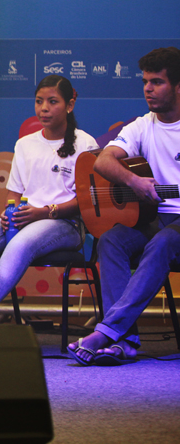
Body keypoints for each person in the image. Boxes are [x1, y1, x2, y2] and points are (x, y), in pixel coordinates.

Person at [0, 75, 98, 325]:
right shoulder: (25, 144)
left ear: (69, 105)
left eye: (52, 101)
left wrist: (42, 212)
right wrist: (10, 212)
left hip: (66, 225)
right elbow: (14, 193)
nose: (44, 108)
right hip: (26, 218)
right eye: (39, 101)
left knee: (21, 243)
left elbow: (87, 203)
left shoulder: (85, 143)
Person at [70, 47, 180, 366]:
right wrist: (134, 183)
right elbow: (103, 161)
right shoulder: (142, 126)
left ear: (177, 87)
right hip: (154, 219)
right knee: (111, 240)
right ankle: (125, 341)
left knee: (163, 241)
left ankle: (107, 332)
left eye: (157, 82)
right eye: (145, 81)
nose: (148, 88)